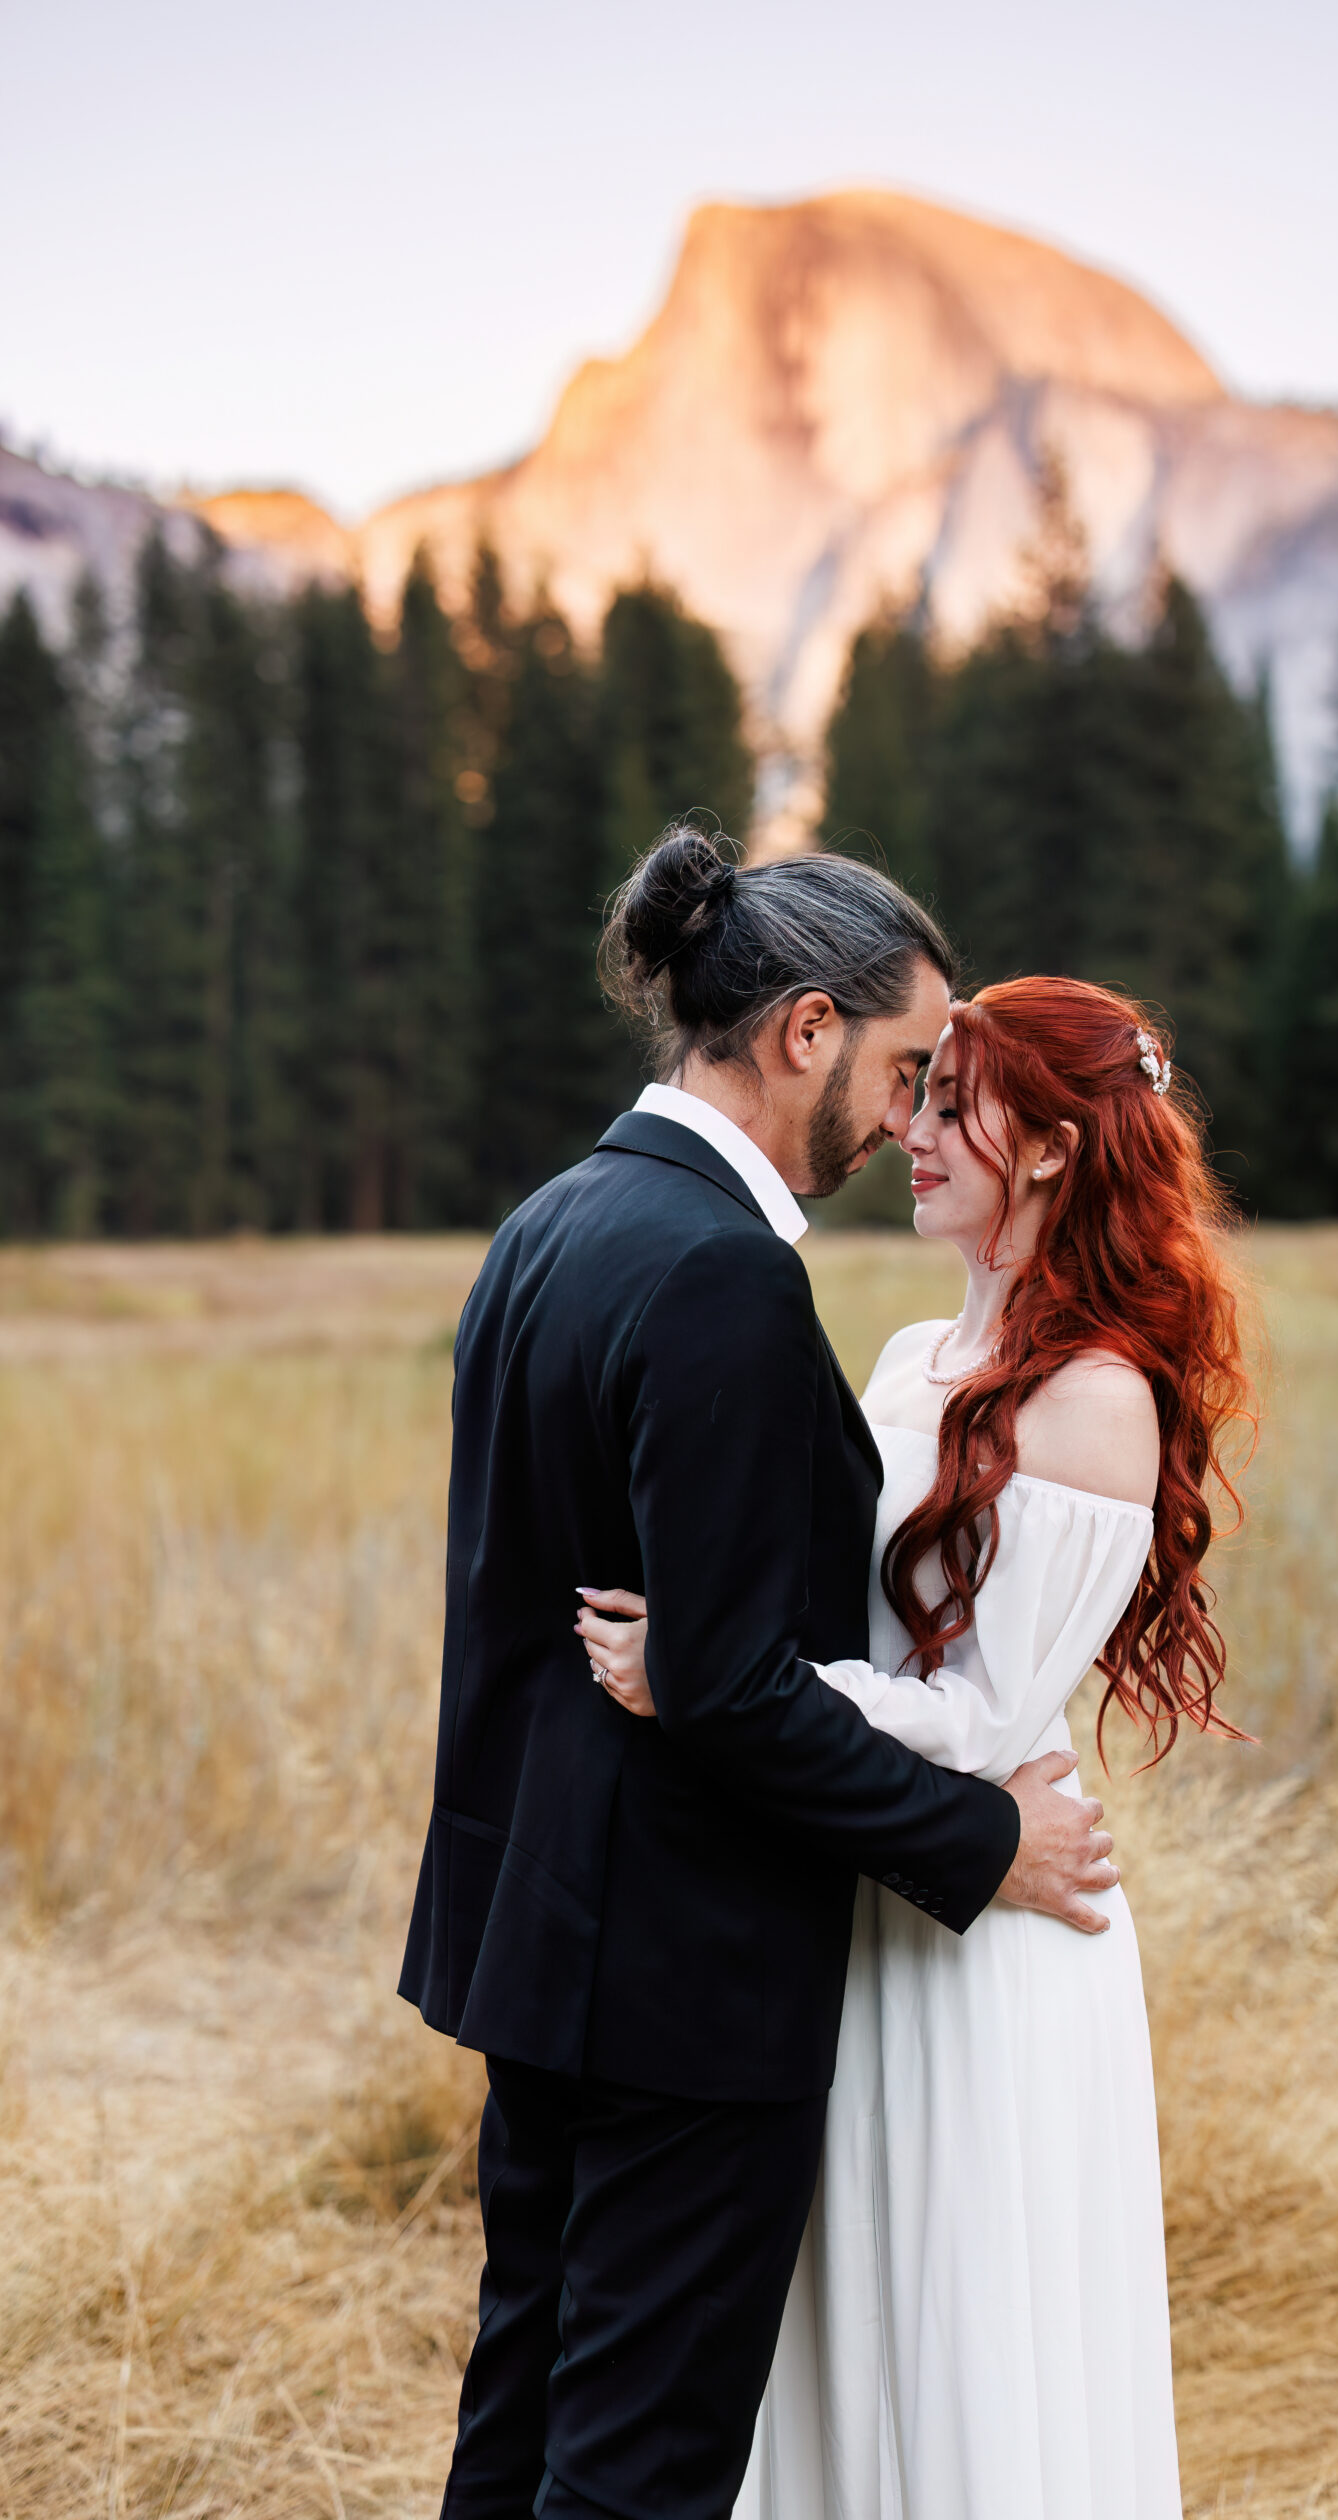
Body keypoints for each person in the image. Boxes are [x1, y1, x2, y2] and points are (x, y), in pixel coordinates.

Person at [398, 830, 1119, 2520]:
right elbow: (722, 1685)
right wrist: (981, 1845)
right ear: (805, 1033)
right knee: (639, 2470)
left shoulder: (550, 1224)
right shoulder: (723, 1270)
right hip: (686, 1976)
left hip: (540, 1939)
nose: (907, 1111)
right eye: (901, 1064)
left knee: (522, 2418)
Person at [581, 974, 1253, 2520]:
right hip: (848, 1893)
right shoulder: (898, 1357)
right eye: (916, 1091)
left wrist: (709, 1677)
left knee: (960, 2350)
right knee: (829, 2338)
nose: (913, 1129)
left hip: (988, 1932)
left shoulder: (1094, 1400)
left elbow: (981, 1723)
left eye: (955, 1102)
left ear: (1056, 1149)